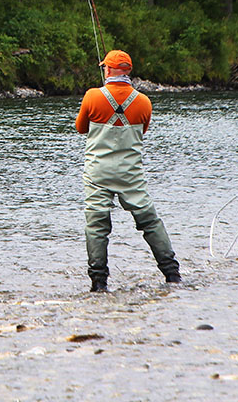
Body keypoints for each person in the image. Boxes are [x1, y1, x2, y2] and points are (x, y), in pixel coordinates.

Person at [74, 49, 181, 292]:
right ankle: (172, 274)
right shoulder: (144, 101)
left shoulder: (92, 96)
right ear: (128, 71)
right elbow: (142, 131)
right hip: (131, 175)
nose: (104, 70)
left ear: (109, 70)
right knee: (150, 221)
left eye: (105, 68)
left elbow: (81, 128)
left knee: (96, 225)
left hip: (98, 173)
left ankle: (99, 283)